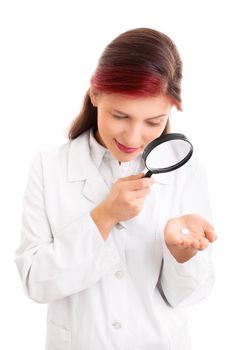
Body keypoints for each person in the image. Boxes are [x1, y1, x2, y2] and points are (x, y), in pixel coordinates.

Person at [15, 27, 217, 350]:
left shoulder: (186, 172)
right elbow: (35, 283)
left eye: (154, 122)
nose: (133, 137)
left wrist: (183, 255)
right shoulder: (48, 167)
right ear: (95, 94)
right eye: (120, 116)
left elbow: (192, 295)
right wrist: (104, 217)